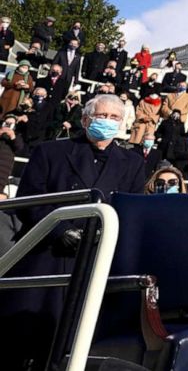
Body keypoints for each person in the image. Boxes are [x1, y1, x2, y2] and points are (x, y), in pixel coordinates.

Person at [1, 94, 146, 370]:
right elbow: (30, 200)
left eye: (114, 118)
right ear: (85, 119)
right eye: (101, 116)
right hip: (45, 256)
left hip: (93, 260)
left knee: (69, 342)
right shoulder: (50, 152)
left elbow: (132, 211)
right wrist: (61, 229)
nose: (107, 122)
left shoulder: (133, 163)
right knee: (20, 337)